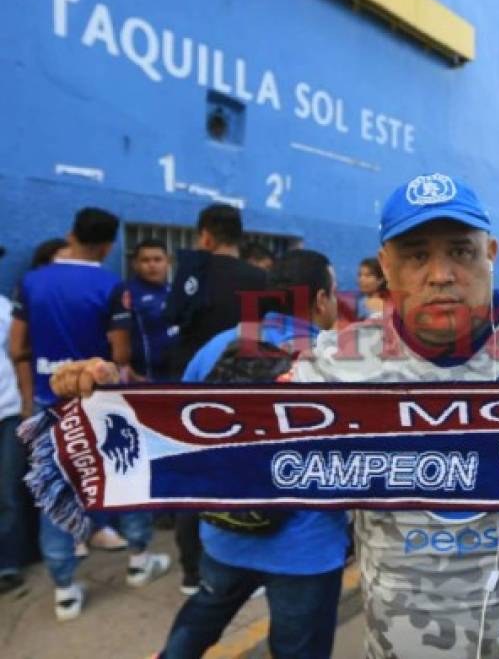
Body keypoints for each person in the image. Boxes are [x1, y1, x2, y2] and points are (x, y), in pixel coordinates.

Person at [52, 173, 499, 658]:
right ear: (386, 268)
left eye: (461, 252)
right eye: (415, 255)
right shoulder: (339, 362)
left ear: (491, 252)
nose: (441, 274)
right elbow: (240, 437)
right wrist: (113, 404)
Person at [159, 250, 348, 658]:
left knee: (204, 612)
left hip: (224, 530)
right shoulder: (337, 364)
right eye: (334, 292)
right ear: (320, 300)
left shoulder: (219, 345)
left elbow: (179, 426)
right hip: (305, 550)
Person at [9, 207, 169, 620]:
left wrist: (32, 395)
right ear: (109, 245)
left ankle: (64, 588)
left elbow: (18, 347)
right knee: (126, 473)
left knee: (56, 489)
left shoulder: (32, 281)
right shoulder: (109, 284)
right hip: (101, 399)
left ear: (70, 233)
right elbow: (120, 354)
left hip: (50, 399)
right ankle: (138, 559)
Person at [165, 203, 268, 595]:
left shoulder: (192, 274)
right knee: (244, 481)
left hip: (191, 396)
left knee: (192, 482)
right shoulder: (261, 279)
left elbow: (171, 323)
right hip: (245, 396)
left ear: (205, 235)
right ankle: (248, 568)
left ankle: (193, 573)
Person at [0, 244, 26, 595]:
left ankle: (6, 563)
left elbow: (20, 356)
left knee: (7, 493)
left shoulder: (5, 310)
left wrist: (27, 404)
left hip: (6, 410)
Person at [115, 239, 175, 382]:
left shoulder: (175, 291)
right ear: (135, 264)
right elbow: (119, 335)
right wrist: (126, 370)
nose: (152, 265)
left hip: (177, 376)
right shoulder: (126, 292)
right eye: (145, 260)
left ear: (168, 262)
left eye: (157, 259)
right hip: (143, 378)